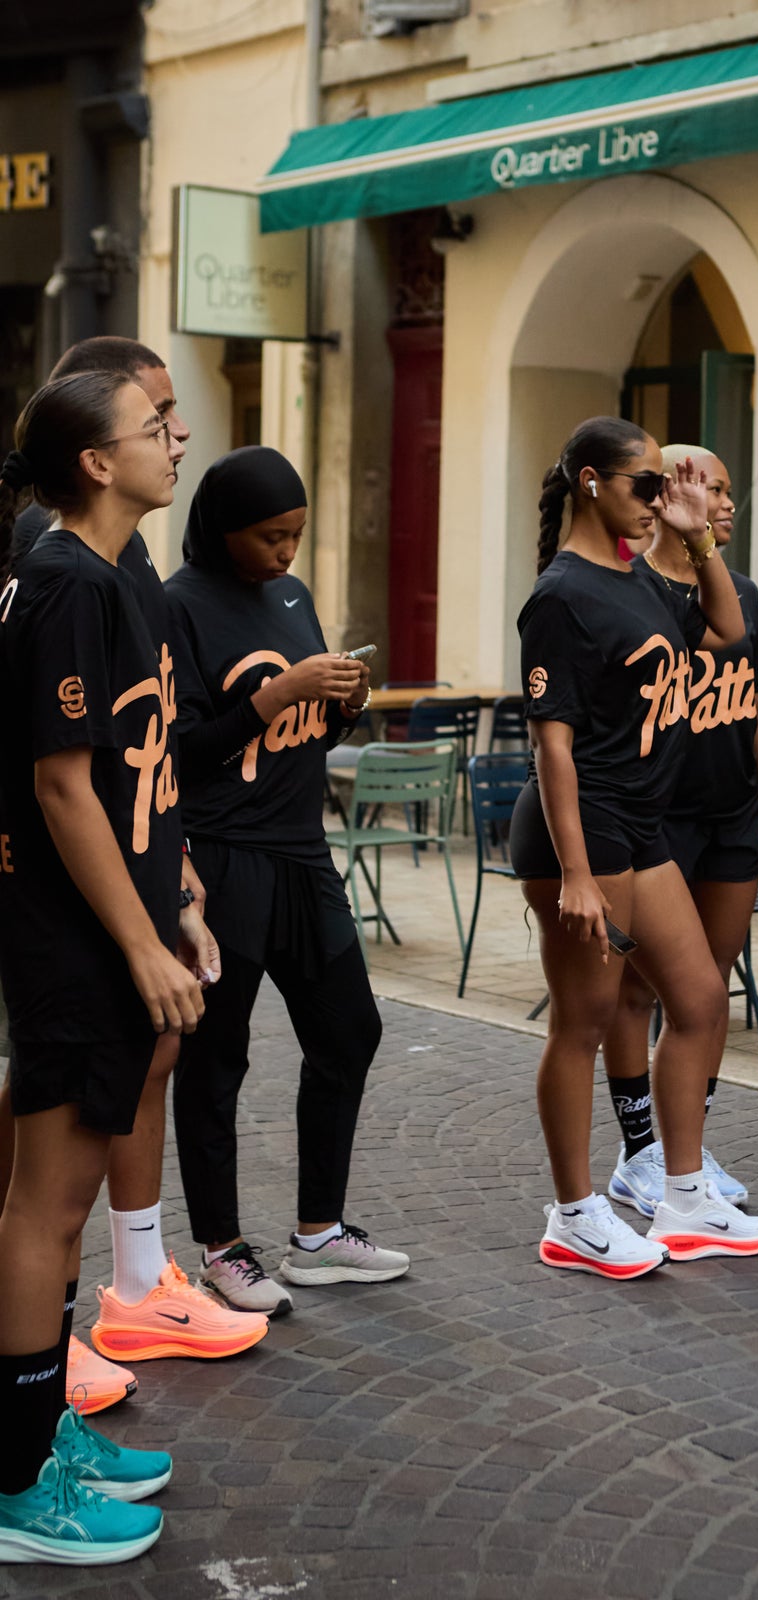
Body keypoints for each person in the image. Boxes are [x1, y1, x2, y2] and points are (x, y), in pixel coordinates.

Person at [0, 335, 257, 1408]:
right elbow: (63, 787)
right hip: (72, 939)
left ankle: (45, 1434)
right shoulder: (63, 581)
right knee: (47, 1208)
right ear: (98, 462)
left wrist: (177, 899)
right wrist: (142, 943)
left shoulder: (112, 576)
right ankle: (24, 1467)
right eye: (154, 426)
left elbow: (137, 774)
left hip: (116, 925)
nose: (176, 439)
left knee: (59, 1207)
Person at [512, 415, 758, 1278]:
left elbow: (729, 631)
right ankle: (574, 1215)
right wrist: (576, 874)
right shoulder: (561, 595)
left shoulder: (636, 578)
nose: (657, 500)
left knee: (700, 998)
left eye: (666, 486)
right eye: (646, 485)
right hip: (582, 833)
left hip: (641, 826)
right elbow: (552, 744)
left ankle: (686, 1197)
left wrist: (696, 536)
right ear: (591, 482)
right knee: (584, 1021)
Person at [166, 447, 407, 1316]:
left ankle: (318, 1234)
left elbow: (304, 731)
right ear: (223, 528)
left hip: (303, 852)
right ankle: (222, 1248)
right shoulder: (177, 607)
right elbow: (181, 752)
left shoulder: (293, 596)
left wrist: (341, 702)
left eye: (297, 534)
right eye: (271, 535)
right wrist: (277, 695)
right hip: (223, 857)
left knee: (350, 1030)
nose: (287, 551)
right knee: (216, 1057)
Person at [600, 443, 758, 1217]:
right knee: (635, 989)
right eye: (712, 486)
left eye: (729, 488)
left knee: (711, 985)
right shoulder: (633, 589)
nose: (726, 501)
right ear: (669, 495)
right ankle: (640, 1148)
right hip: (660, 815)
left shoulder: (739, 592)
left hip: (732, 814)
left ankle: (687, 1142)